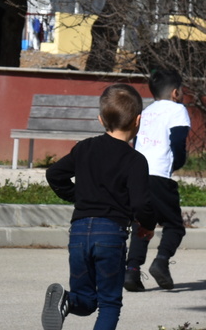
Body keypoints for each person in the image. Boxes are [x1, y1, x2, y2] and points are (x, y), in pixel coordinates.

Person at [41, 83, 155, 330]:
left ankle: (67, 300)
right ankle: (69, 300)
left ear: (100, 119)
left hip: (79, 233)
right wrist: (147, 225)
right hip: (110, 235)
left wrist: (79, 196)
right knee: (109, 304)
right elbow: (141, 203)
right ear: (138, 120)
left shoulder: (85, 147)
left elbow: (54, 174)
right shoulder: (135, 160)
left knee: (86, 300)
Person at [125, 69, 190, 292]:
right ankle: (161, 262)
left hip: (139, 175)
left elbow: (136, 143)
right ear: (175, 93)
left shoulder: (147, 111)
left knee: (142, 224)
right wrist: (176, 163)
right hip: (160, 175)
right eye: (182, 91)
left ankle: (132, 272)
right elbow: (179, 141)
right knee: (174, 226)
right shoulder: (178, 109)